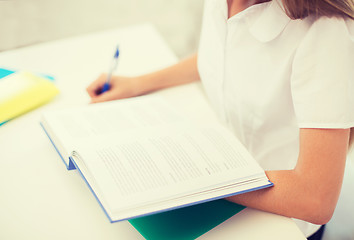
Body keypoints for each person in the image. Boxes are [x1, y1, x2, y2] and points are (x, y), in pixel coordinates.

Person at [87, 0, 354, 239]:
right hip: (220, 183)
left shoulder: (327, 34)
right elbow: (223, 56)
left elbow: (314, 198)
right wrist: (140, 83)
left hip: (279, 221)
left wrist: (192, 179)